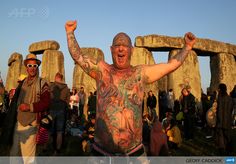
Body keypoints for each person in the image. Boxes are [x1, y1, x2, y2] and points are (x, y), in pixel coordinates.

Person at [65, 20, 196, 156]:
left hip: (134, 153)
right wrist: (70, 33)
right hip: (101, 153)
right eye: (117, 45)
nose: (121, 48)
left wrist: (187, 47)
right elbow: (78, 56)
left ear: (131, 50)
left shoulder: (141, 74)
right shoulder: (102, 71)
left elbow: (170, 65)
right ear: (111, 49)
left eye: (125, 45)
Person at [7, 54, 50, 163]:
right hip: (18, 123)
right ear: (26, 67)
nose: (32, 68)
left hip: (31, 124)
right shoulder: (22, 83)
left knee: (28, 158)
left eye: (34, 65)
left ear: (37, 67)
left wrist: (29, 107)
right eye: (30, 65)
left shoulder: (42, 83)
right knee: (14, 154)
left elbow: (46, 102)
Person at [49, 72, 70, 155]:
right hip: (62, 109)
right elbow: (68, 100)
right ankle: (57, 150)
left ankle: (49, 147)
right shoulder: (66, 88)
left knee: (50, 129)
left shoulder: (52, 86)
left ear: (56, 77)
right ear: (61, 78)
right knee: (60, 131)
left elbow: (49, 97)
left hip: (52, 108)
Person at [215, 83, 233, 155]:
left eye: (219, 88)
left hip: (220, 121)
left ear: (220, 89)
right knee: (227, 136)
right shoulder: (230, 98)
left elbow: (218, 110)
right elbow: (231, 110)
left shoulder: (219, 98)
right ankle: (229, 150)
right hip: (227, 120)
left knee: (221, 137)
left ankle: (222, 151)